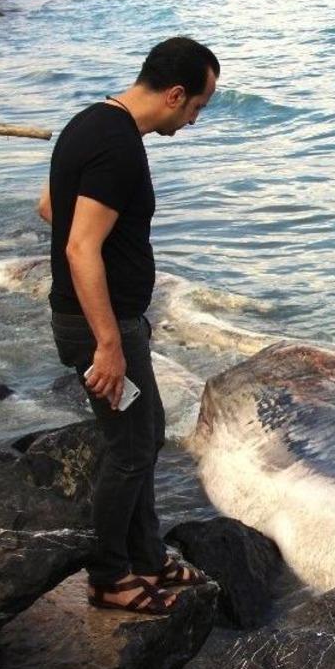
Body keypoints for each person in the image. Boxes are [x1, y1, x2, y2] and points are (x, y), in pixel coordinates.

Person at [37, 37, 219, 615]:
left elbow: (49, 205)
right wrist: (109, 344)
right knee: (129, 449)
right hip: (100, 325)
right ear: (174, 94)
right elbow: (79, 245)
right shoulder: (119, 148)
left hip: (105, 318)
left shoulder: (90, 121)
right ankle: (109, 577)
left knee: (147, 431)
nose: (193, 121)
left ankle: (146, 556)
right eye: (196, 107)